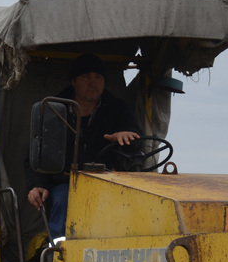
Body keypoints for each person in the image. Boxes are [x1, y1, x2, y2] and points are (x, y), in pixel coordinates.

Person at [26, 54, 143, 237]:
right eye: (86, 77)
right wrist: (36, 186)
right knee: (64, 199)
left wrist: (126, 136)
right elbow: (34, 155)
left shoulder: (118, 109)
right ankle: (59, 256)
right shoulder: (53, 111)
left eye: (98, 77)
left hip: (109, 184)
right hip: (65, 184)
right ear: (74, 82)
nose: (93, 83)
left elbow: (136, 145)